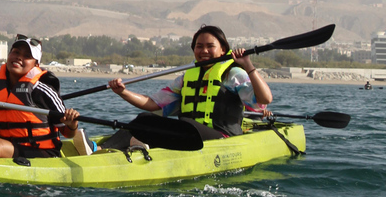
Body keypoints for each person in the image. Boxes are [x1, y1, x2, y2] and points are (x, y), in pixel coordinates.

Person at [73, 25, 273, 155]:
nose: (203, 51)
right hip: (189, 136)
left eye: (210, 46)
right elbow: (153, 104)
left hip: (223, 140)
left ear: (223, 50)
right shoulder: (186, 78)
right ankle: (99, 149)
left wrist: (248, 65)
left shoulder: (233, 74)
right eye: (198, 46)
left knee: (185, 123)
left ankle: (139, 143)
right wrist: (122, 92)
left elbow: (264, 99)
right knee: (144, 120)